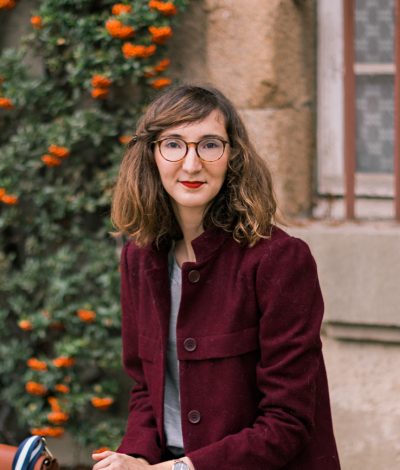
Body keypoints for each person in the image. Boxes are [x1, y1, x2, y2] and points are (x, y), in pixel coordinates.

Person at [92, 84, 340, 470]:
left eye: (209, 145)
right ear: (151, 155)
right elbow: (145, 387)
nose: (192, 164)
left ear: (233, 155)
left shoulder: (280, 260)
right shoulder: (139, 258)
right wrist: (134, 457)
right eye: (173, 145)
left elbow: (287, 421)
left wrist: (181, 469)